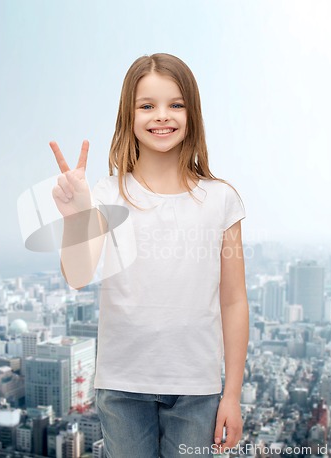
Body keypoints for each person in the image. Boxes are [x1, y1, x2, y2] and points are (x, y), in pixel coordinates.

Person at [50, 53, 249, 458]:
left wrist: (232, 395)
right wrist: (76, 218)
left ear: (193, 112)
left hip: (199, 388)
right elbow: (78, 275)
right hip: (122, 385)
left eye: (176, 104)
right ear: (129, 114)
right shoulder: (106, 193)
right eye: (147, 106)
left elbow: (233, 299)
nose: (162, 116)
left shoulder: (222, 199)